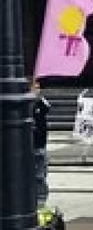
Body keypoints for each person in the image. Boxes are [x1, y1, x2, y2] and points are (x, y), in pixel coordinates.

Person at [31, 79, 50, 207]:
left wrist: (38, 99)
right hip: (26, 145)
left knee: (40, 174)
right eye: (34, 87)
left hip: (39, 143)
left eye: (38, 87)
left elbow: (47, 108)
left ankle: (41, 200)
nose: (37, 90)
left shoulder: (40, 103)